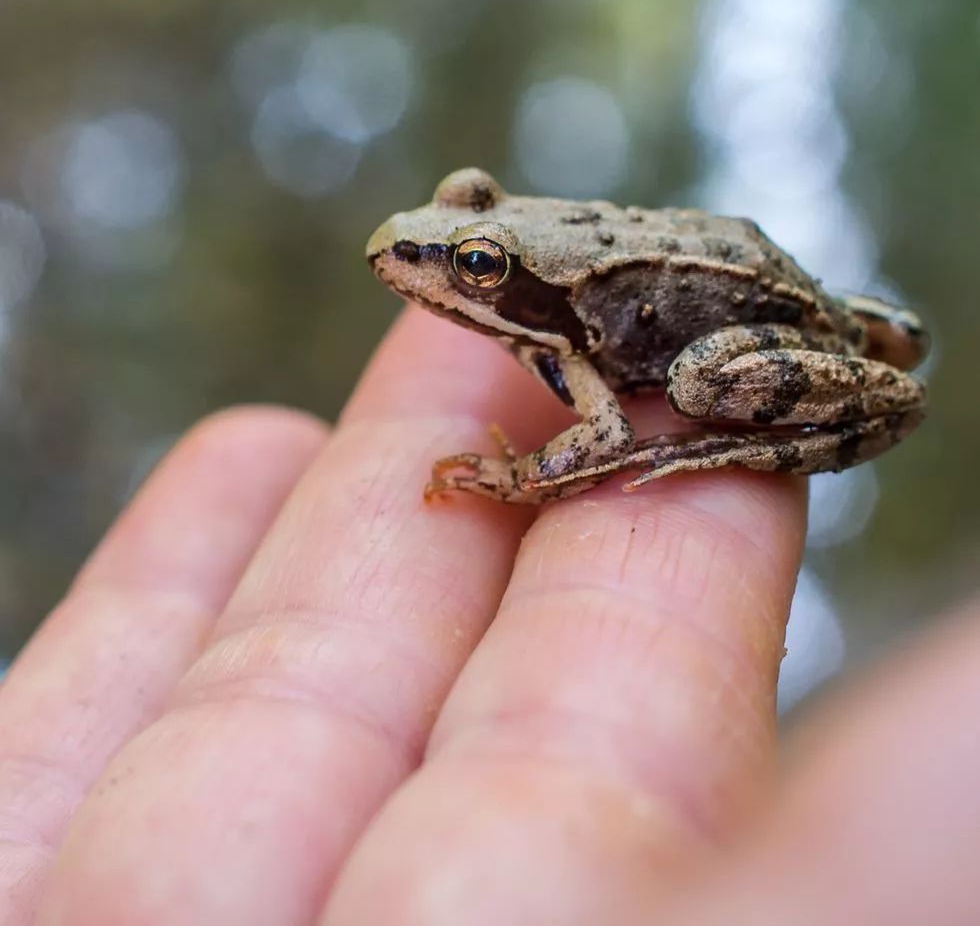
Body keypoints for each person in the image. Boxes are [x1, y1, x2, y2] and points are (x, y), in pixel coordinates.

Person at [0, 309, 973, 925]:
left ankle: (728, 437)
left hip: (744, 329)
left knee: (691, 387)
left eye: (472, 267)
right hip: (798, 302)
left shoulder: (574, 338)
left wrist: (513, 478)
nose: (434, 269)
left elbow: (607, 428)